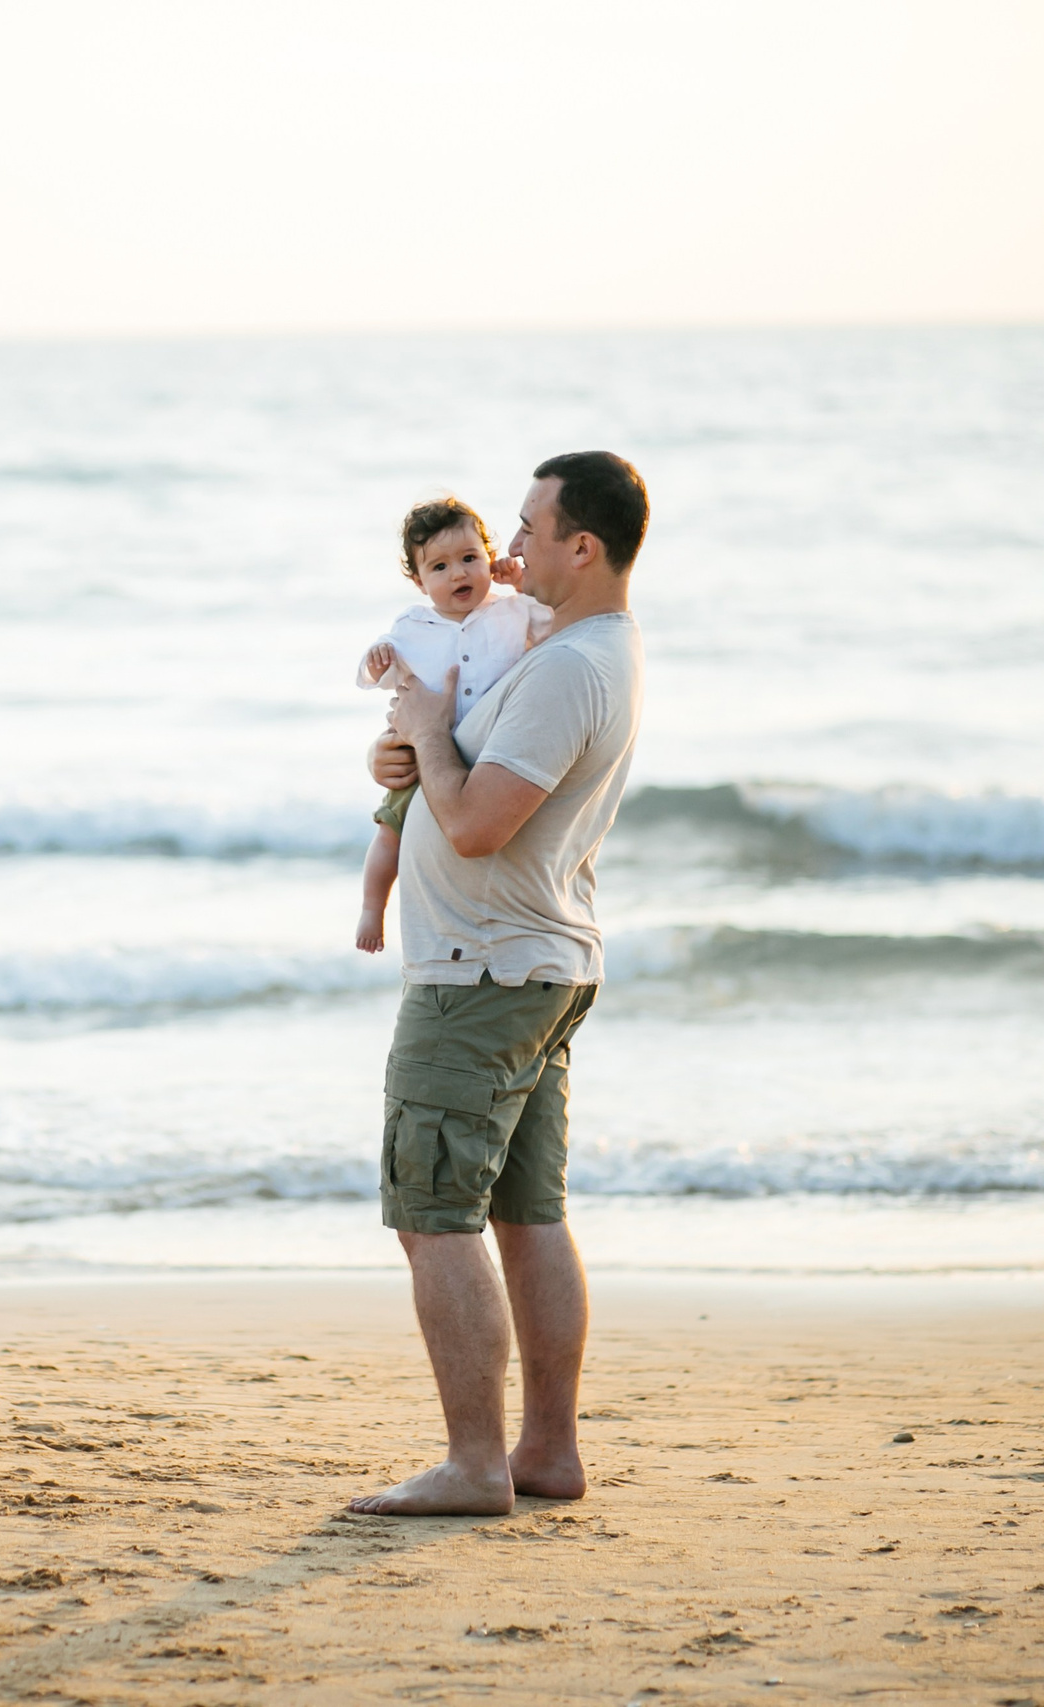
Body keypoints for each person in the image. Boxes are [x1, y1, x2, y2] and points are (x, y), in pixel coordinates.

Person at [346, 451, 649, 1518]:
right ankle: (546, 1453)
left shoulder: (573, 665)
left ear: (583, 546)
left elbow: (476, 827)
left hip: (481, 970)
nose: (509, 550)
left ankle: (476, 1465)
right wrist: (410, 757)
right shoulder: (565, 648)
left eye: (527, 529)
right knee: (526, 1213)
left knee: (433, 1214)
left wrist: (427, 735)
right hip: (532, 961)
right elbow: (460, 775)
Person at [353, 496, 550, 953]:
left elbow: (552, 626)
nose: (458, 573)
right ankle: (371, 907)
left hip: (487, 753)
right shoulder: (410, 626)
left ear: (488, 557)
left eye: (469, 558)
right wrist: (376, 660)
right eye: (439, 567)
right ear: (419, 581)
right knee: (390, 830)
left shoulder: (511, 612)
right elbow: (373, 675)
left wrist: (522, 586)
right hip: (427, 758)